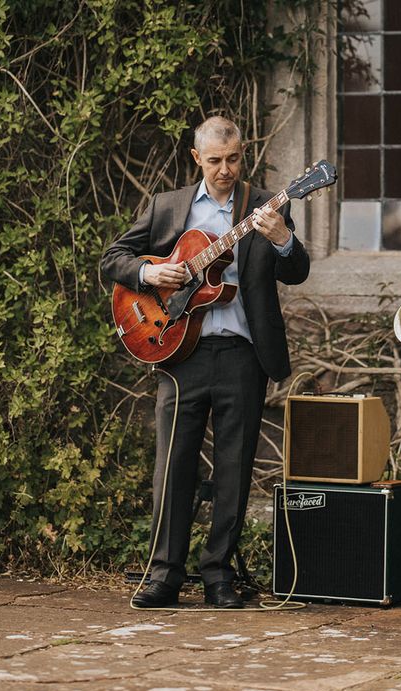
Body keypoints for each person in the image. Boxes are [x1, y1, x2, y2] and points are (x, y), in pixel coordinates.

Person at [101, 116, 310, 608]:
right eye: (214, 161)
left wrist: (282, 237)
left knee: (235, 467)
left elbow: (296, 271)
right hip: (178, 350)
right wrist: (152, 272)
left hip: (242, 353)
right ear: (197, 158)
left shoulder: (264, 206)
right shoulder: (168, 207)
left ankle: (218, 575)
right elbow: (114, 259)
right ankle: (163, 575)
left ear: (243, 155)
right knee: (172, 464)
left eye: (233, 159)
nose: (225, 170)